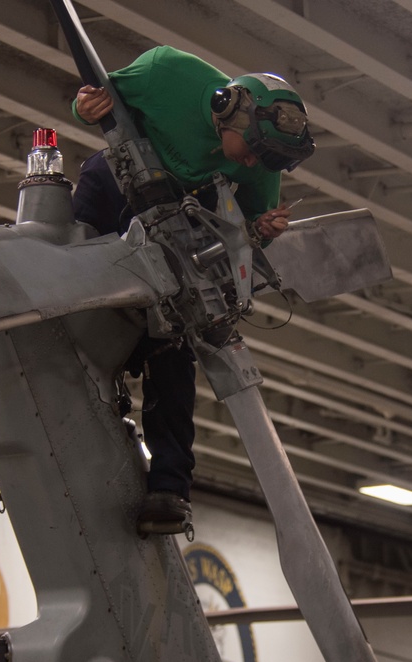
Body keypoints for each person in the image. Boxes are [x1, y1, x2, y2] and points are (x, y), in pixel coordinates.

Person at [70, 45, 315, 535]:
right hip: (114, 190)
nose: (252, 163)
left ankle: (169, 487)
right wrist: (84, 107)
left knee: (173, 344)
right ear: (230, 109)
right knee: (63, 304)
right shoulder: (167, 73)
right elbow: (101, 95)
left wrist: (257, 232)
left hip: (178, 225)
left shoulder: (259, 167)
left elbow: (237, 238)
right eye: (251, 150)